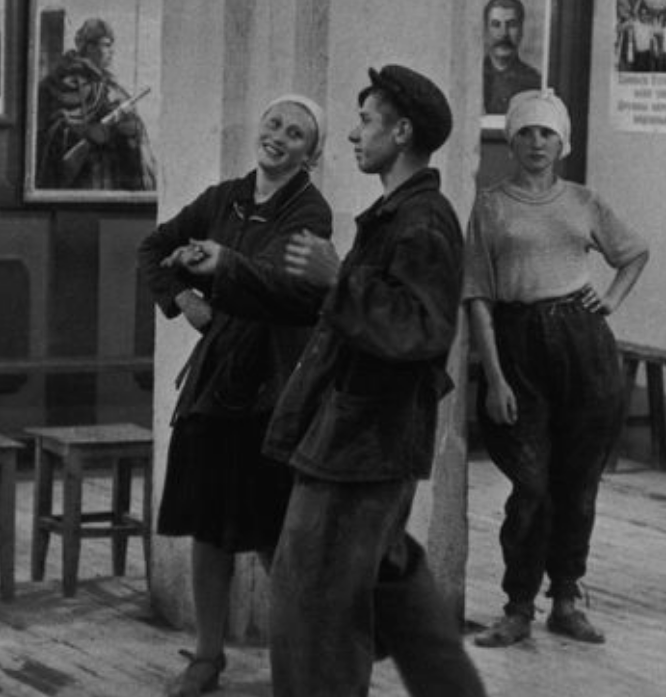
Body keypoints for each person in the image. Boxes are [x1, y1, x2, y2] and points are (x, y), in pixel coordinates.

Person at [264, 65, 486, 697]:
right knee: (387, 578)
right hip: (359, 434)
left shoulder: (423, 221)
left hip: (364, 443)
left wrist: (339, 279)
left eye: (366, 122)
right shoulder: (399, 214)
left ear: (402, 131)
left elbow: (422, 329)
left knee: (315, 607)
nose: (354, 135)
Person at [139, 96, 334, 697]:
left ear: (310, 153)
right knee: (208, 527)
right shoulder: (223, 198)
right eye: (274, 124)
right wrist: (185, 299)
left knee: (277, 533)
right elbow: (153, 249)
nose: (278, 136)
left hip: (274, 389)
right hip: (215, 384)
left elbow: (282, 287)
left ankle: (304, 664)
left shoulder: (310, 211)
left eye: (295, 134)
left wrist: (220, 264)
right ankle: (206, 656)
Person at [465, 90, 649, 648]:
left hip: (583, 345)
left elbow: (634, 252)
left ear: (562, 142)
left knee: (579, 484)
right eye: (526, 132)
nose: (536, 142)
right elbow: (478, 298)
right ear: (511, 140)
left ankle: (566, 599)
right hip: (517, 345)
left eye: (546, 133)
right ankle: (517, 606)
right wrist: (494, 379)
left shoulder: (584, 201)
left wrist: (610, 300)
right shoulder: (490, 206)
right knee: (531, 485)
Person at [34, 51, 155, 191]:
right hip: (79, 186)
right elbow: (49, 134)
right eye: (105, 44)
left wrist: (130, 134)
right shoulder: (55, 86)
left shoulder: (111, 88)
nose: (111, 51)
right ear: (86, 45)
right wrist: (85, 133)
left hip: (109, 181)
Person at [482, 0, 544, 115]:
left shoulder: (535, 82)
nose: (503, 33)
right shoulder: (473, 77)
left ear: (521, 30)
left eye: (511, 25)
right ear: (486, 31)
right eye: (496, 24)